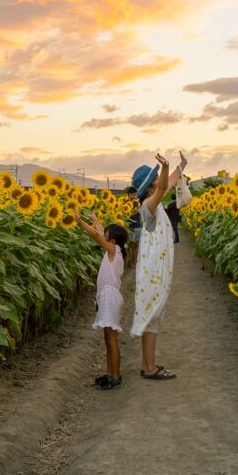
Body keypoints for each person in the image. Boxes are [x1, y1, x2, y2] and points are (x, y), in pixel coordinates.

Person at [131, 151, 187, 380]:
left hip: (152, 270)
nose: (160, 180)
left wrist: (181, 165)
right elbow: (165, 186)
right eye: (155, 177)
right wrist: (164, 168)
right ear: (151, 185)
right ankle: (150, 367)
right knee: (152, 316)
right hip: (152, 272)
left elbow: (170, 182)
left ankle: (147, 365)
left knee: (150, 317)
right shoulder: (148, 206)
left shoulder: (156, 203)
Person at [78, 211, 128, 390]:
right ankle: (110, 374)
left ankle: (116, 376)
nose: (103, 237)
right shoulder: (115, 250)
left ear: (112, 241)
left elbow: (97, 235)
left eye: (107, 236)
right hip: (106, 295)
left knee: (111, 337)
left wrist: (80, 222)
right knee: (108, 338)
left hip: (109, 296)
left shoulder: (113, 250)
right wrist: (95, 220)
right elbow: (101, 233)